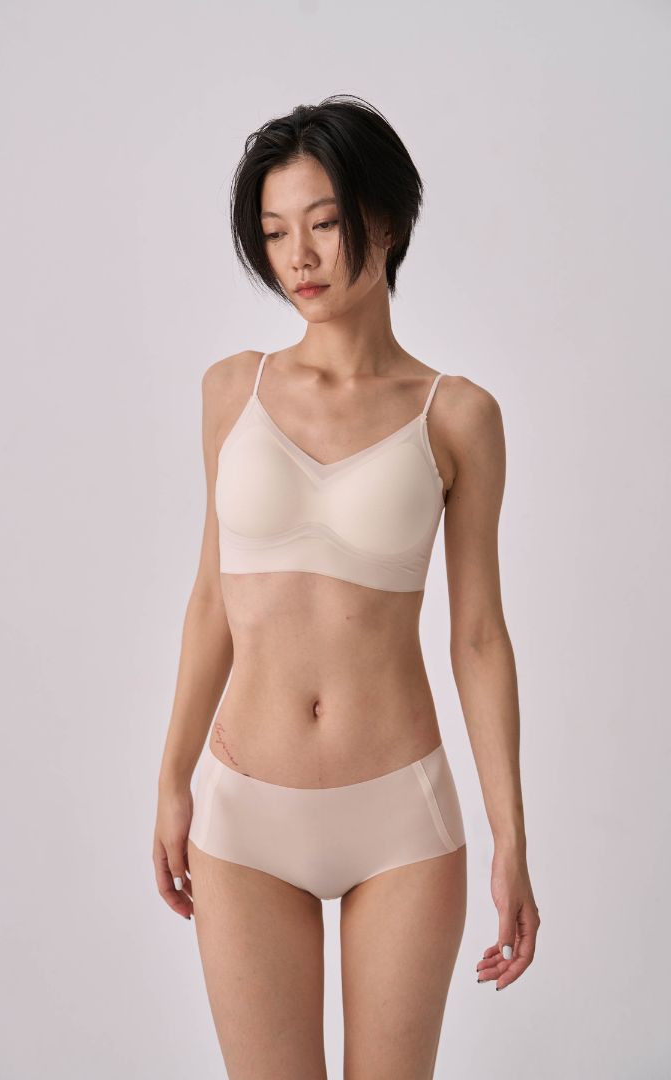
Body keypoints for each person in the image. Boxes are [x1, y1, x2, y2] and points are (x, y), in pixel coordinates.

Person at [153, 93, 540, 1079]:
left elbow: (480, 636)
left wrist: (511, 837)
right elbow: (211, 602)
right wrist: (171, 778)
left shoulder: (458, 415)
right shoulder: (232, 391)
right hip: (245, 816)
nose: (300, 257)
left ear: (386, 220)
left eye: (323, 224)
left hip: (401, 820)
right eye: (275, 232)